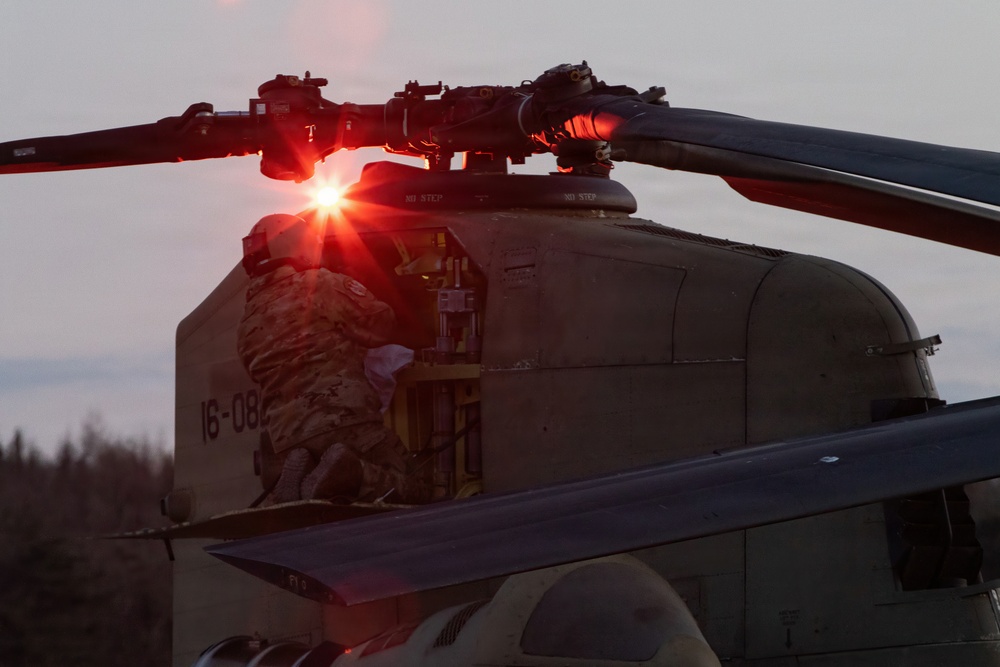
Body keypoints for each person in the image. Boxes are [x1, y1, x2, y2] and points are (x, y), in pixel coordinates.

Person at [236, 213, 427, 504]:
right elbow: (380, 324)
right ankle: (352, 472)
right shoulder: (320, 285)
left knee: (319, 488)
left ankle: (300, 476)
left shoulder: (247, 321)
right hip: (345, 423)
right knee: (418, 485)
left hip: (287, 437)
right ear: (300, 246)